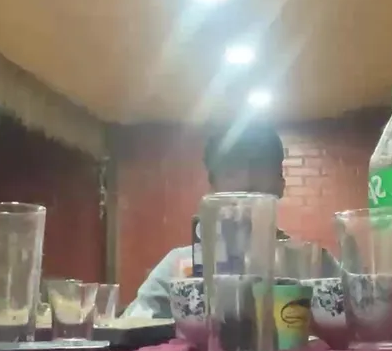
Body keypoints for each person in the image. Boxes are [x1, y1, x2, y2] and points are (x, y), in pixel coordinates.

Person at [123, 122, 335, 318]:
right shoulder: (180, 266)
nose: (246, 179)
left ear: (281, 184)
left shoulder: (315, 264)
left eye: (260, 164)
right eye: (231, 169)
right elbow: (131, 328)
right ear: (213, 189)